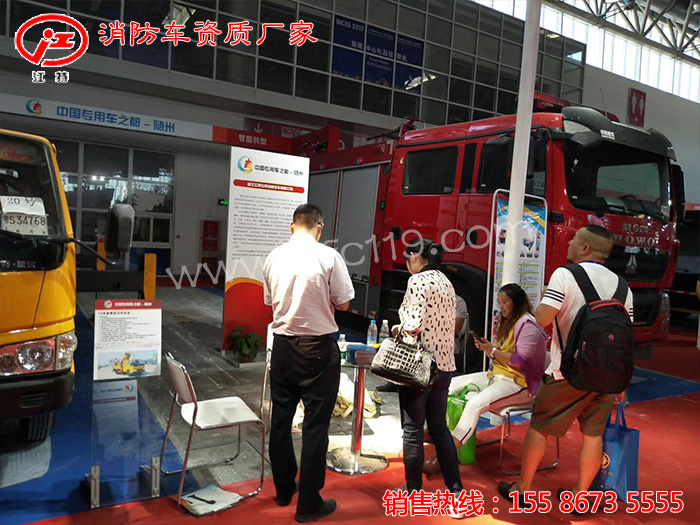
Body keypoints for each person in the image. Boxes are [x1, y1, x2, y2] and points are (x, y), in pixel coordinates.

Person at [498, 225, 633, 510]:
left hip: (566, 374)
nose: (569, 242)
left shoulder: (565, 275)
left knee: (540, 426)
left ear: (585, 248)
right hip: (607, 376)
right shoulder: (623, 287)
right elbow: (625, 337)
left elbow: (542, 320)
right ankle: (580, 497)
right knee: (593, 435)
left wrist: (544, 297)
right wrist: (622, 383)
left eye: (574, 238)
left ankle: (522, 489)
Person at [263, 203, 355, 523]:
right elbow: (344, 302)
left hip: (283, 347)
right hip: (317, 349)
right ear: (320, 228)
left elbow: (268, 300)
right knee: (315, 428)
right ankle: (308, 504)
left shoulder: (274, 256)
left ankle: (283, 489)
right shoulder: (328, 256)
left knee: (280, 422)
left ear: (292, 226)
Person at [423, 283, 547, 475]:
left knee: (474, 405)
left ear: (516, 303)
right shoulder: (509, 321)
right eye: (500, 302)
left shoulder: (528, 325)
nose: (501, 306)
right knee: (449, 385)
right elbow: (502, 355)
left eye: (505, 302)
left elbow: (521, 362)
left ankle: (444, 456)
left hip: (518, 384)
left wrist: (493, 351)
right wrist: (489, 350)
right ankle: (436, 430)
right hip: (496, 376)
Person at [393, 237, 465, 519]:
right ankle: (456, 491)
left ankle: (413, 493)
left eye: (408, 258)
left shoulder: (418, 281)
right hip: (445, 364)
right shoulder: (447, 282)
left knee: (412, 430)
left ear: (415, 257)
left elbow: (413, 325)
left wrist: (399, 329)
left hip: (419, 366)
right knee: (439, 428)